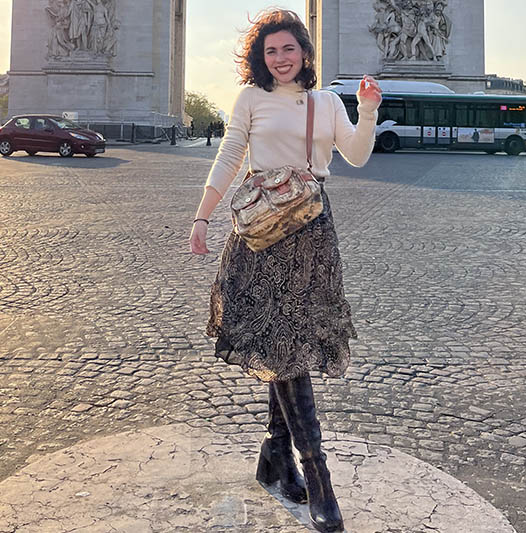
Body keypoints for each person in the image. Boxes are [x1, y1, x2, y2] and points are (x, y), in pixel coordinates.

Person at [188, 9, 381, 533]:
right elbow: (230, 154)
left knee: (288, 346)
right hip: (260, 237)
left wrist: (366, 110)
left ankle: (276, 455)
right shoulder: (251, 98)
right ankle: (317, 476)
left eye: (288, 49)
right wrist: (203, 215)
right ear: (260, 57)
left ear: (305, 53)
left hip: (312, 237)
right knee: (284, 346)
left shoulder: (327, 102)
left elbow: (358, 156)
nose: (280, 59)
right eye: (270, 51)